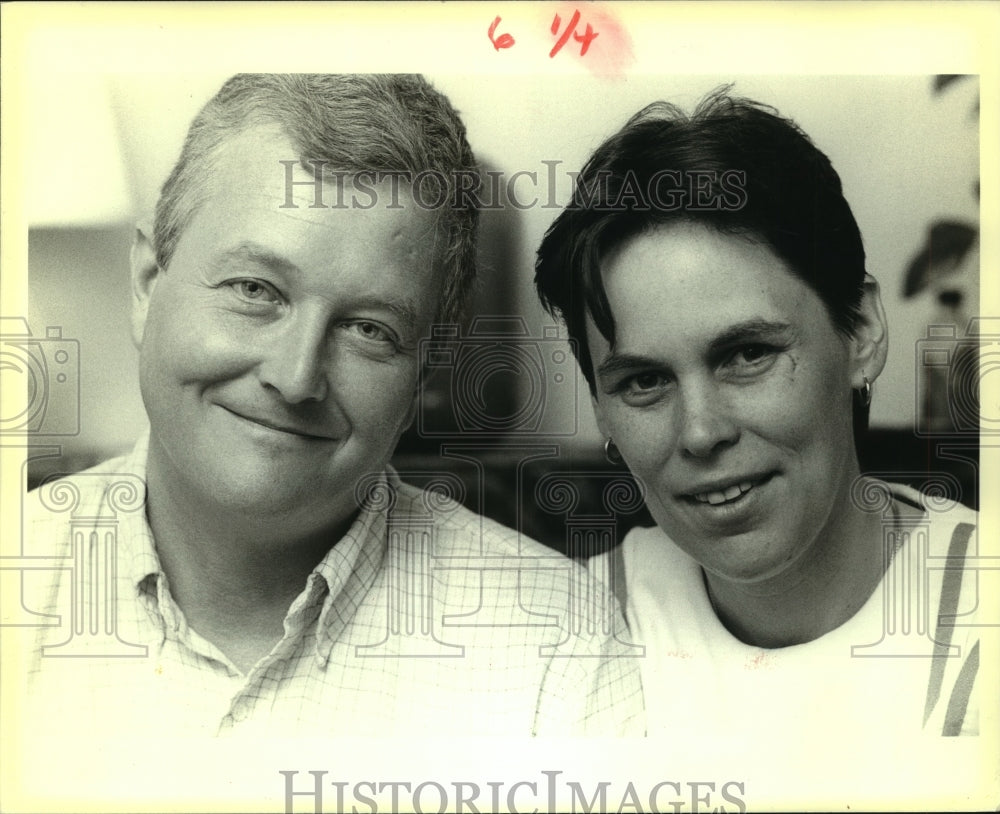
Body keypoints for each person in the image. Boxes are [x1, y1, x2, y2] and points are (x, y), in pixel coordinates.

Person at [21, 74, 642, 738]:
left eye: (368, 329)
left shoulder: (558, 650)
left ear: (426, 372)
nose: (295, 379)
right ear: (147, 283)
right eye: (255, 289)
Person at [534, 88, 981, 738]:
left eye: (747, 354)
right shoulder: (564, 642)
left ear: (861, 332)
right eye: (645, 380)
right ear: (602, 411)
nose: (701, 431)